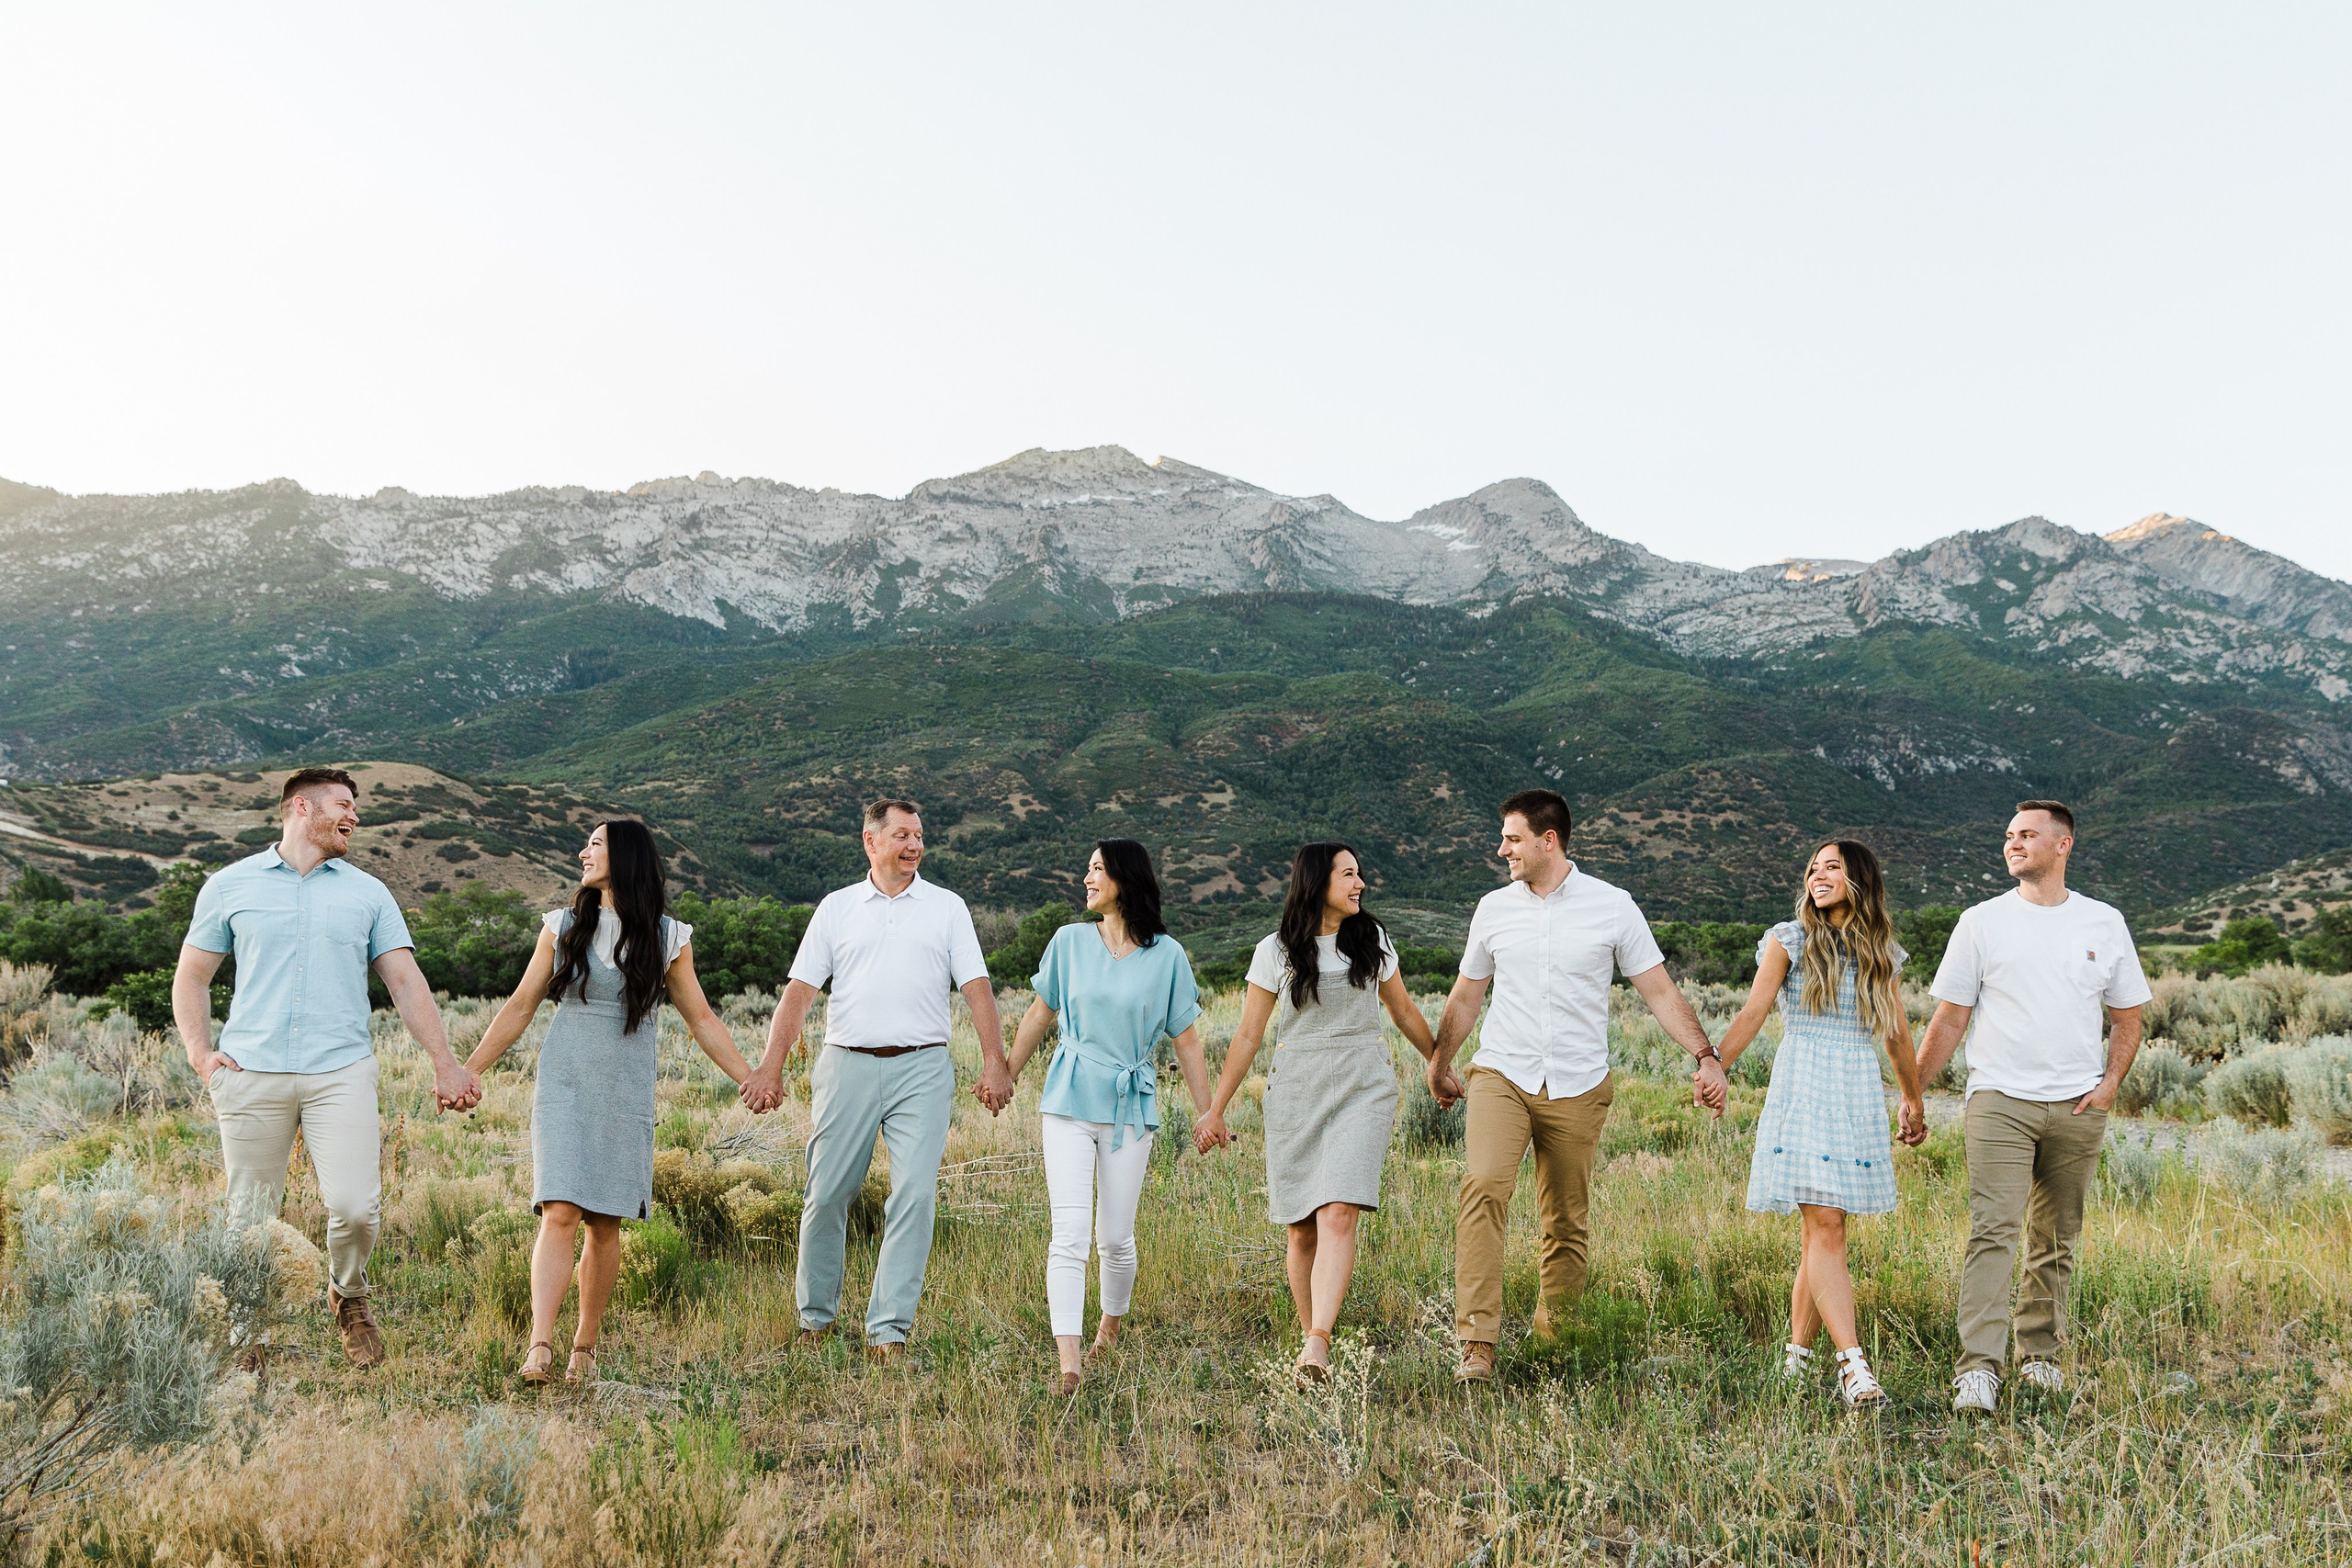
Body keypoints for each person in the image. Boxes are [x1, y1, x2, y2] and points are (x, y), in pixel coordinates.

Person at [171, 766, 481, 1370]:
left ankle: (349, 1292)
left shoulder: (368, 893)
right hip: (251, 1071)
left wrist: (445, 1062)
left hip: (341, 1070)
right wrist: (200, 1054)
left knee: (355, 1207)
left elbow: (404, 981)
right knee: (250, 1214)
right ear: (299, 808)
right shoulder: (229, 885)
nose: (354, 817)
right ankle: (247, 1334)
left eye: (354, 808)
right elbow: (192, 975)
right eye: (343, 805)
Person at [1427, 788, 1728, 1384]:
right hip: (1502, 1073)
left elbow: (1660, 991)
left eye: (1511, 838)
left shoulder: (1612, 907)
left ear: (1549, 840)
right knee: (1484, 1184)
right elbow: (1466, 995)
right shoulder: (1493, 908)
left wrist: (1706, 1054)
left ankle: (1554, 1343)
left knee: (1565, 1217)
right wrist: (1440, 1061)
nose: (1501, 848)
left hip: (1579, 1083)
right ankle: (1477, 1344)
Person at [463, 821, 765, 1384]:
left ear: (624, 856)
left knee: (604, 1222)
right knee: (559, 1210)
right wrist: (469, 1070)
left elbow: (701, 1018)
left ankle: (585, 1347)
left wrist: (751, 1076)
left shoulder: (668, 935)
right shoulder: (563, 926)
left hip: (624, 1089)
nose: (583, 851)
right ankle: (541, 1345)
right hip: (565, 1083)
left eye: (596, 844)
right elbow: (522, 1005)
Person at [740, 799, 1010, 1361]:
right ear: (871, 840)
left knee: (914, 1193)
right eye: (903, 836)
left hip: (923, 1067)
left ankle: (889, 1331)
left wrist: (994, 1062)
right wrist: (771, 1065)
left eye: (920, 836)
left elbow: (977, 988)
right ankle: (815, 1321)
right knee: (826, 1194)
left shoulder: (947, 907)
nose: (914, 846)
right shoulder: (837, 909)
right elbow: (798, 993)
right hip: (847, 1065)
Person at [1915, 800, 2150, 1415]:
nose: (2013, 844)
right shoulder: (1981, 921)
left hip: (2078, 1106)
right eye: (2009, 835)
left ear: (2063, 844)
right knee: (1994, 1230)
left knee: (2056, 1236)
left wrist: (2110, 1084)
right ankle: (1978, 1370)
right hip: (1999, 1100)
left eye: (2027, 835)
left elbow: (2129, 1016)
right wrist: (1913, 1091)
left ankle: (2040, 1357)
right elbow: (1949, 1017)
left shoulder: (2104, 921)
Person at [1194, 841, 1442, 1383]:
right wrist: (1215, 1109)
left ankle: (1318, 1341)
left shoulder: (1372, 940)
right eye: (1349, 875)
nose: (1360, 885)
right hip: (1296, 1091)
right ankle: (1314, 1350)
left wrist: (1439, 1064)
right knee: (1301, 1226)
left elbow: (1402, 1010)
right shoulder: (1275, 950)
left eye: (1360, 874)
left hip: (1363, 1085)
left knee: (1338, 1211)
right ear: (1317, 882)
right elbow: (1247, 1034)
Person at [992, 840, 1214, 1395]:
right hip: (1068, 1099)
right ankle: (1069, 1358)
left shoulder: (1168, 956)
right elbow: (1039, 1015)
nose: (1086, 878)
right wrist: (1006, 1075)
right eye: (1087, 868)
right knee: (1068, 1232)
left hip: (1130, 1105)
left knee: (1114, 1238)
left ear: (1124, 877)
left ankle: (1109, 1328)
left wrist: (1209, 1111)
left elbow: (1186, 1041)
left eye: (1096, 869)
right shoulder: (1068, 943)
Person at [1715, 840, 1929, 1409]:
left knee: (1823, 1233)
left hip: (1856, 1090)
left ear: (1859, 879)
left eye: (1832, 867)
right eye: (1813, 868)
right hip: (1805, 1084)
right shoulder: (1788, 940)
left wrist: (1913, 1099)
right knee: (1827, 1224)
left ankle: (1794, 1361)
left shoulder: (1882, 952)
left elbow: (1898, 1035)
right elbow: (1755, 1011)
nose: (1818, 876)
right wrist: (1715, 1065)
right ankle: (1853, 1368)